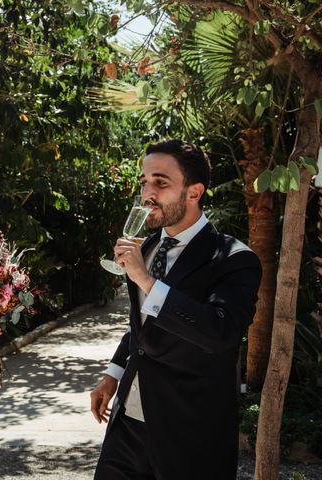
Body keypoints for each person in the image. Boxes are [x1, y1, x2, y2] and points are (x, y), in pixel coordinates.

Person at [90, 139, 262, 480]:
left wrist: (146, 281)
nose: (147, 193)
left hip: (189, 433)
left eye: (160, 182)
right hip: (127, 427)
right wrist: (112, 375)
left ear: (194, 192)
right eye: (144, 182)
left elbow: (219, 332)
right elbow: (141, 325)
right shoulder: (149, 245)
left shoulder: (234, 259)